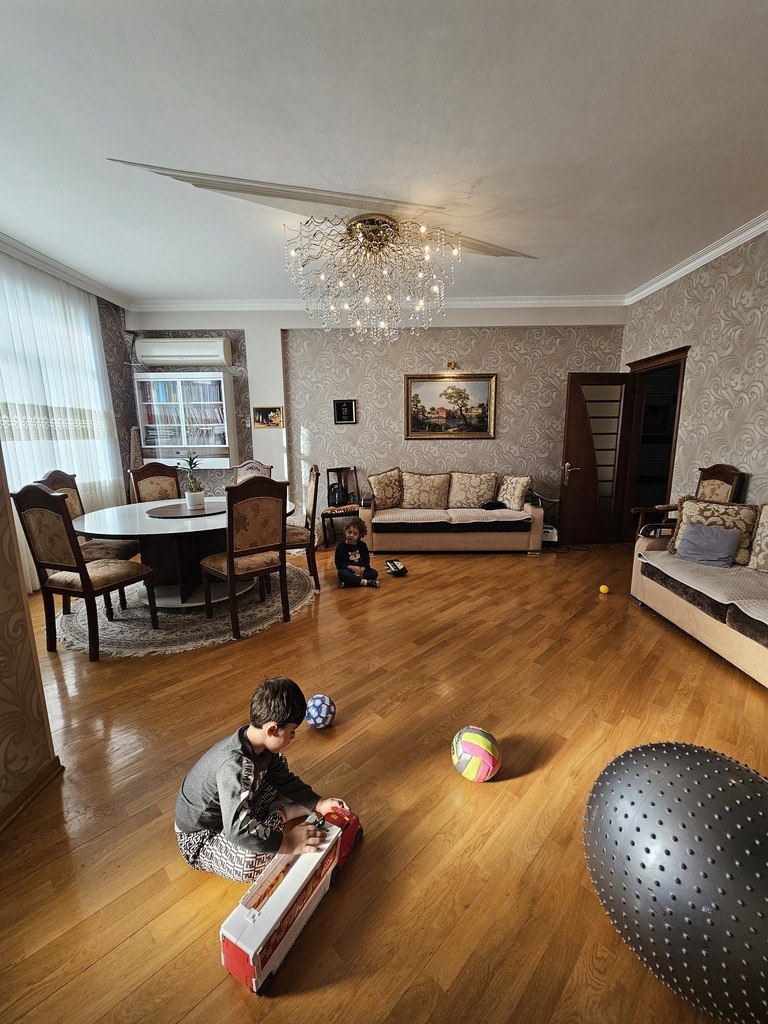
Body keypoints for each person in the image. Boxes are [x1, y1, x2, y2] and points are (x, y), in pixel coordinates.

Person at [174, 677, 348, 882]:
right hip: (202, 834)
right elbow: (237, 830)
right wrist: (288, 842)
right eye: (291, 732)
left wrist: (318, 803)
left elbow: (283, 778)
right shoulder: (234, 767)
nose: (292, 738)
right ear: (272, 730)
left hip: (230, 810)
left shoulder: (256, 742)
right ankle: (281, 813)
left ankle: (277, 811)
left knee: (278, 763)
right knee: (250, 864)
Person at [335, 517, 379, 588]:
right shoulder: (340, 547)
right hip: (348, 570)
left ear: (359, 535)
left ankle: (349, 582)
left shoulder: (362, 545)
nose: (351, 535)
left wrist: (362, 570)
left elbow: (366, 559)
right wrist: (352, 567)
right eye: (349, 532)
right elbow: (339, 563)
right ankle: (366, 582)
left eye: (355, 534)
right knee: (342, 574)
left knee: (374, 573)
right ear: (345, 531)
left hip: (360, 570)